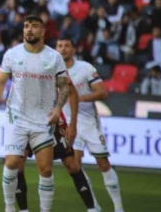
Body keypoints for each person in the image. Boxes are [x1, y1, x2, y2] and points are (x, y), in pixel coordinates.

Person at [0, 39, 100, 212]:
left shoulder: (51, 61)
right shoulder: (15, 59)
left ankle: (93, 208)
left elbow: (71, 92)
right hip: (21, 119)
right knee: (16, 163)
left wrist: (72, 125)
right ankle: (23, 209)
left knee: (71, 164)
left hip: (49, 118)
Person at [0, 15, 72, 212]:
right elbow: (0, 82)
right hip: (16, 116)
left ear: (43, 31)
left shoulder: (54, 57)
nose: (29, 30)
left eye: (34, 26)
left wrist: (58, 109)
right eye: (26, 26)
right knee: (12, 163)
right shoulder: (12, 54)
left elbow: (64, 87)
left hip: (43, 119)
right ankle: (9, 208)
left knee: (46, 169)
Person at [57, 38, 126, 212]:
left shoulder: (85, 68)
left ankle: (118, 208)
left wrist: (78, 99)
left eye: (66, 46)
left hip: (88, 121)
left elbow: (102, 93)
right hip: (69, 124)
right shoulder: (52, 70)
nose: (63, 49)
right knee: (75, 166)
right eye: (59, 46)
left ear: (74, 50)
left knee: (103, 163)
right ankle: (93, 207)